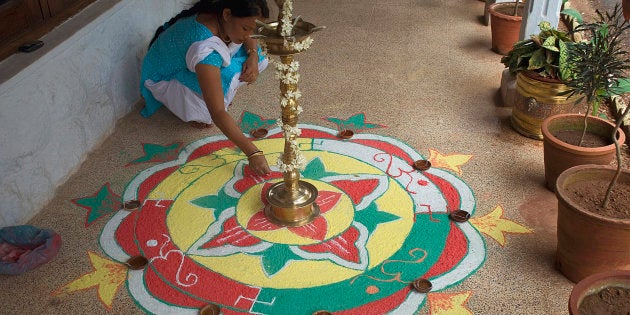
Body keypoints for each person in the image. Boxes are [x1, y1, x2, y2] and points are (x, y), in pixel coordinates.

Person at [139, 0, 271, 175]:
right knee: (207, 115)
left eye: (253, 30)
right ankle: (188, 101)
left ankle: (216, 88)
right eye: (246, 29)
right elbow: (217, 111)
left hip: (198, 60)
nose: (249, 36)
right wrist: (252, 152)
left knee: (259, 61)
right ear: (227, 15)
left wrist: (253, 55)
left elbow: (251, 40)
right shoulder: (205, 48)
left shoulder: (224, 20)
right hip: (165, 74)